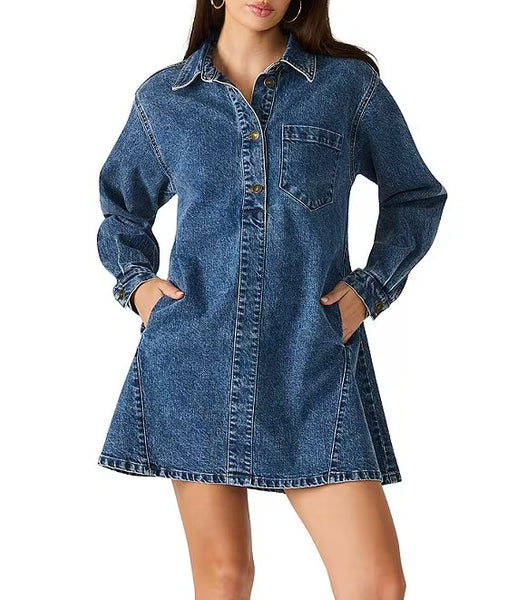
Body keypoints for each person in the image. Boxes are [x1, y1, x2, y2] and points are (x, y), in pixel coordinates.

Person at [96, 1, 447, 598]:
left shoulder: (346, 88)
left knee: (375, 583)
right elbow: (121, 209)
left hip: (310, 359)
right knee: (224, 577)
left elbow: (415, 194)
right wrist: (139, 287)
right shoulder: (165, 99)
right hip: (196, 362)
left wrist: (369, 291)